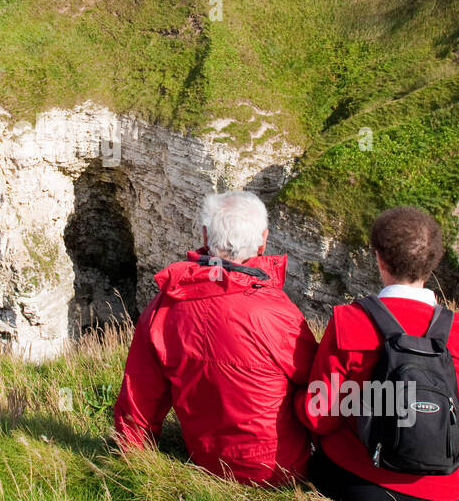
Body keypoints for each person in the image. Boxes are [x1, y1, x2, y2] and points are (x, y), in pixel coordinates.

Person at [295, 206, 459, 501]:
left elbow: (321, 416)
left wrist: (294, 398)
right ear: (433, 262)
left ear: (379, 259)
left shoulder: (350, 322)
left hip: (361, 486)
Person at [112, 191, 319, 485]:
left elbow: (140, 396)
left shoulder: (166, 304)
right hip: (282, 469)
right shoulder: (277, 312)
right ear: (264, 239)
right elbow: (317, 382)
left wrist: (132, 460)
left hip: (209, 462)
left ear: (206, 235)